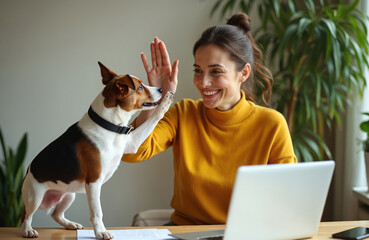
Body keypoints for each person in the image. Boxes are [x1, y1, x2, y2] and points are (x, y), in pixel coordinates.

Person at [122, 13, 297, 226]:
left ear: (243, 73)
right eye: (198, 71)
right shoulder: (183, 113)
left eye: (216, 72)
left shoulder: (271, 124)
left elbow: (287, 198)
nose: (204, 83)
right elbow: (131, 152)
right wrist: (156, 99)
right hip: (183, 233)